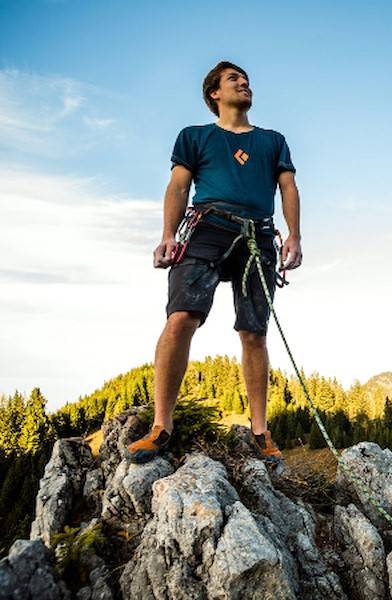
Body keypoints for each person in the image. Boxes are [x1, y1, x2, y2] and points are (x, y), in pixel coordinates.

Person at [126, 61, 301, 467]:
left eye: (247, 79)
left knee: (254, 332)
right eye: (234, 79)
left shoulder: (273, 141)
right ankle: (161, 426)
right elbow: (178, 185)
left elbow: (288, 187)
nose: (244, 83)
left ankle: (260, 432)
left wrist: (294, 235)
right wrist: (168, 235)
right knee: (181, 317)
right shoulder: (195, 136)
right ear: (214, 94)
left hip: (258, 235)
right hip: (207, 226)